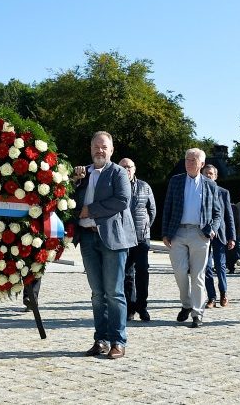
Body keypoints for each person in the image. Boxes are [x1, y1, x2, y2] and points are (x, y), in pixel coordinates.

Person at [71, 131, 135, 359]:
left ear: (111, 150)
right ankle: (101, 339)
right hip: (87, 238)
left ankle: (119, 341)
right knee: (97, 294)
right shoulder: (82, 174)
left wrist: (90, 210)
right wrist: (74, 181)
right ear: (90, 149)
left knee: (114, 292)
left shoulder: (118, 173)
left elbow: (122, 201)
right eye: (96, 146)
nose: (100, 150)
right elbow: (69, 200)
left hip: (113, 240)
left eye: (104, 147)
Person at [161, 147, 222, 329]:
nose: (189, 163)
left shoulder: (210, 185)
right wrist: (165, 233)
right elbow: (168, 207)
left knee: (198, 275)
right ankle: (186, 303)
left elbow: (217, 212)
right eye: (187, 159)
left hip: (200, 233)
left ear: (201, 164)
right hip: (178, 232)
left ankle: (197, 312)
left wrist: (212, 229)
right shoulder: (176, 181)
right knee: (180, 272)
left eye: (193, 160)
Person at [120, 157, 156, 322]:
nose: (126, 169)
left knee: (142, 272)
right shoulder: (115, 185)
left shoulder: (144, 186)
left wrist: (145, 227)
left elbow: (152, 210)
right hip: (122, 238)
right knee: (127, 275)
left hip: (141, 237)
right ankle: (129, 307)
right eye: (123, 166)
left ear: (134, 169)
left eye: (129, 166)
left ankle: (142, 307)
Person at [201, 164, 235, 308]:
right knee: (207, 267)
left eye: (211, 174)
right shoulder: (198, 191)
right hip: (203, 234)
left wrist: (232, 237)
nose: (208, 176)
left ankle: (223, 293)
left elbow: (229, 216)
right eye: (206, 173)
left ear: (215, 176)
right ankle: (211, 297)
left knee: (220, 266)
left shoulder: (223, 192)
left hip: (220, 234)